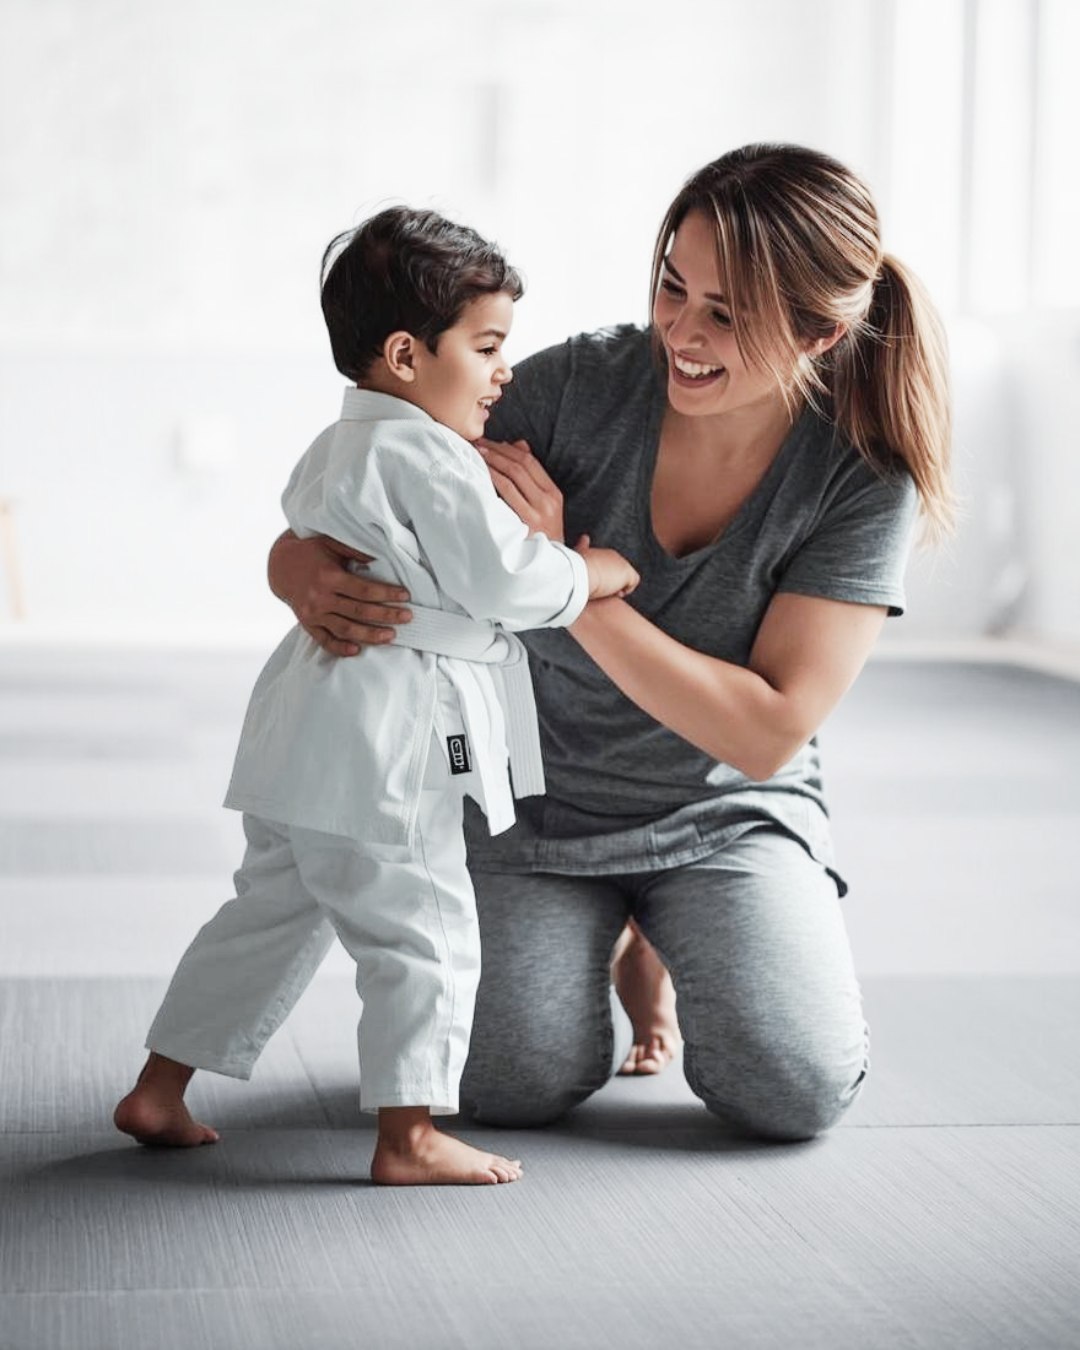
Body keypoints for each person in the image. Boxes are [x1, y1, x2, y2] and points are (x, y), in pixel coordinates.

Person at [113, 206, 639, 1185]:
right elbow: (504, 583)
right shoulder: (430, 458)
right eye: (486, 348)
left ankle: (159, 1086)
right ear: (406, 354)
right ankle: (409, 1135)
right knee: (426, 930)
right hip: (388, 741)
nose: (503, 373)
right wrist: (589, 571)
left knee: (263, 918)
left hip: (302, 734)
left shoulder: (338, 444)